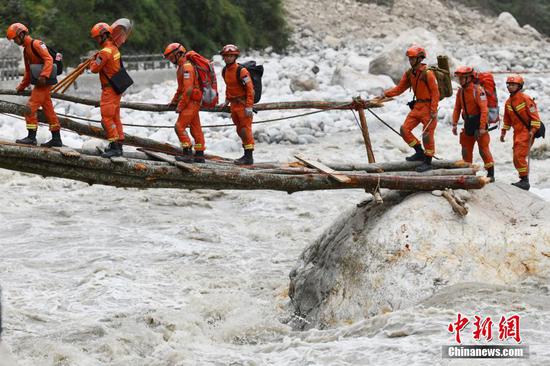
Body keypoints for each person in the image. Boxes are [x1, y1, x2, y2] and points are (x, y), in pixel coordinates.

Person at [383, 46, 440, 172]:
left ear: (420, 58)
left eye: (413, 58)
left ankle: (428, 161)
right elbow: (399, 89)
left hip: (428, 107)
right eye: (409, 58)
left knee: (427, 135)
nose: (410, 60)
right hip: (418, 106)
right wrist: (385, 94)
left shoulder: (428, 73)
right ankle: (419, 152)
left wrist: (433, 109)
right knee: (404, 130)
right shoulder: (410, 73)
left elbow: (435, 93)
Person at [6, 23, 62, 147]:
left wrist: (44, 75)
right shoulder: (26, 50)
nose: (15, 41)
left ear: (21, 34)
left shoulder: (37, 44)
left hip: (44, 82)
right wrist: (21, 86)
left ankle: (31, 137)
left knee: (30, 108)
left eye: (15, 38)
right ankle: (56, 138)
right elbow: (28, 71)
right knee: (49, 110)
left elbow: (49, 59)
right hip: (40, 83)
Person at [163, 43, 206, 163]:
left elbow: (188, 90)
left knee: (179, 127)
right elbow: (180, 89)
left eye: (171, 58)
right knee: (195, 128)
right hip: (192, 101)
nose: (171, 61)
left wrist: (180, 106)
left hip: (191, 101)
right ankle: (199, 155)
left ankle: (187, 153)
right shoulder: (181, 68)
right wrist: (173, 102)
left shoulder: (187, 68)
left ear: (178, 54)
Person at [88, 22, 125, 158]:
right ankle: (119, 144)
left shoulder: (104, 52)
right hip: (117, 88)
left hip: (109, 90)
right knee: (115, 118)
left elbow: (94, 69)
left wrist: (93, 60)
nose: (96, 40)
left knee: (106, 119)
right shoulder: (114, 49)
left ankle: (114, 146)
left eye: (97, 37)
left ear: (104, 35)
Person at [452, 66, 495, 181]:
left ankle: (491, 174)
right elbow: (457, 108)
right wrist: (454, 123)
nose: (460, 81)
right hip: (468, 123)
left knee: (483, 150)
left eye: (462, 78)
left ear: (469, 78)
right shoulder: (460, 92)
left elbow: (484, 110)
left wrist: (482, 127)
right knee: (465, 149)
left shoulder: (478, 91)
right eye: (459, 78)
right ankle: (469, 172)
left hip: (479, 123)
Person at [500, 74, 542, 191]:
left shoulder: (526, 99)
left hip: (526, 132)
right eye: (509, 84)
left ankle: (525, 181)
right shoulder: (508, 102)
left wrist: (533, 130)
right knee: (515, 157)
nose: (510, 87)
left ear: (519, 86)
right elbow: (507, 119)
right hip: (517, 132)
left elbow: (535, 117)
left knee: (519, 155)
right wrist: (503, 132)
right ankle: (523, 179)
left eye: (513, 85)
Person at [220, 44, 255, 165]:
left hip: (243, 104)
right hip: (234, 105)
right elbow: (229, 87)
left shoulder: (242, 71)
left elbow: (250, 89)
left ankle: (249, 157)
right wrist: (226, 100)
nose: (228, 58)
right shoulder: (225, 71)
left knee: (246, 130)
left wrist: (249, 106)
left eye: (231, 56)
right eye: (226, 56)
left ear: (235, 57)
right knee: (240, 130)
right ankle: (245, 154)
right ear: (223, 57)